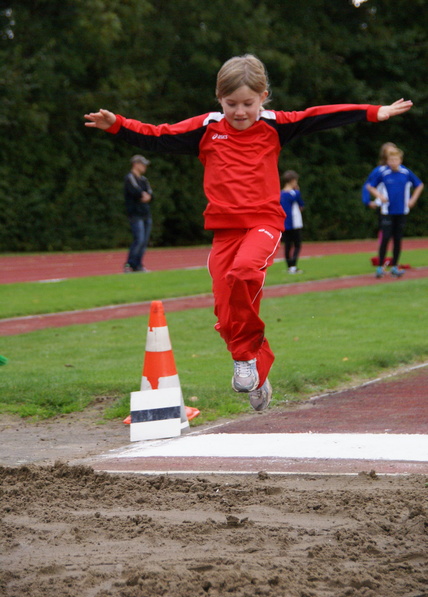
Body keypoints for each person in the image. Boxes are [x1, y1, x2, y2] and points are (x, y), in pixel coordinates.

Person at [84, 53, 412, 411]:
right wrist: (117, 124)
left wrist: (371, 111)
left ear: (264, 96)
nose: (239, 112)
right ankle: (257, 365)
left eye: (248, 104)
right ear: (218, 98)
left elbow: (317, 116)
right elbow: (159, 136)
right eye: (231, 104)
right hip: (224, 231)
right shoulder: (207, 127)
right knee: (226, 313)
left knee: (243, 273)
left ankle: (245, 360)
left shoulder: (275, 124)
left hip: (264, 223)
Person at [365, 147, 424, 278]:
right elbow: (370, 186)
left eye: (395, 159)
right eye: (390, 160)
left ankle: (395, 266)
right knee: (385, 237)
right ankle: (380, 266)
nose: (393, 162)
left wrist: (412, 199)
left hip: (402, 211)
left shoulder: (406, 172)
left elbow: (419, 185)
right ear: (387, 161)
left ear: (400, 160)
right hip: (387, 211)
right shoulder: (384, 173)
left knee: (398, 239)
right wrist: (379, 196)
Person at [123, 154, 153, 272]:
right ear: (136, 164)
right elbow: (135, 191)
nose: (145, 167)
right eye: (142, 164)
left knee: (144, 241)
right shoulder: (130, 178)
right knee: (139, 239)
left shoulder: (144, 180)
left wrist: (147, 196)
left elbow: (150, 193)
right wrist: (143, 195)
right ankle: (129, 265)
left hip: (145, 213)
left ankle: (138, 265)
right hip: (135, 214)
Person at [280, 170, 305, 274]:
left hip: (284, 223)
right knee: (297, 244)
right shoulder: (294, 193)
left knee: (287, 245)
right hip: (294, 223)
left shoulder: (280, 194)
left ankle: (289, 266)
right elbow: (301, 205)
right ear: (292, 181)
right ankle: (293, 266)